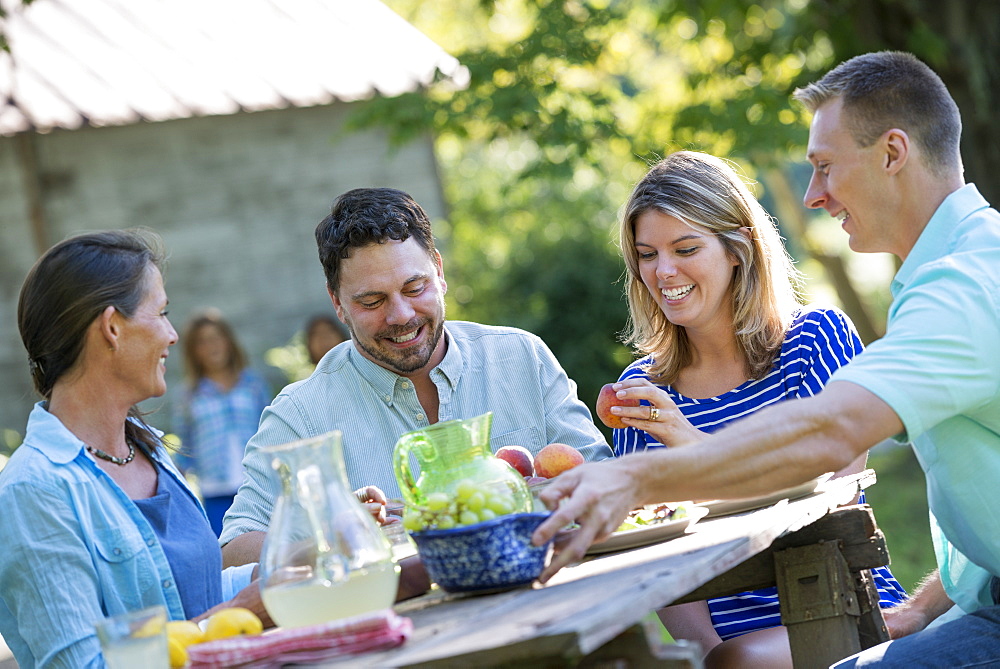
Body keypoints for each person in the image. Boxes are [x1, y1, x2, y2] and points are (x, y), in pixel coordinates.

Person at [532, 51, 1000, 668]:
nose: (812, 195)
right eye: (647, 255)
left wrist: (635, 477)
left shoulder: (965, 286)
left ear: (892, 154)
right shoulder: (956, 272)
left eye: (825, 166)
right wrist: (921, 609)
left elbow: (832, 432)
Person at [608, 150, 906, 668]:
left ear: (737, 248)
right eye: (647, 254)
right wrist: (706, 652)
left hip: (841, 609)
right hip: (729, 647)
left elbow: (832, 493)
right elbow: (649, 552)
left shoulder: (816, 340)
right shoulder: (642, 391)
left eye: (685, 248)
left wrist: (692, 447)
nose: (664, 271)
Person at [220, 187, 613, 568]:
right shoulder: (299, 416)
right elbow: (233, 550)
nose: (401, 315)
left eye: (414, 287)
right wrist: (335, 540)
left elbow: (605, 479)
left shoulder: (521, 358)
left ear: (439, 272)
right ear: (337, 303)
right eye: (372, 301)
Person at [0, 229, 263, 668]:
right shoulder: (33, 492)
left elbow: (188, 595)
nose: (173, 335)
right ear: (112, 327)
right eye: (161, 312)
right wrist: (233, 616)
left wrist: (289, 563)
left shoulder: (148, 452)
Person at [172, 309, 273, 536]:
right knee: (228, 550)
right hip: (215, 490)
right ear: (193, 352)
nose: (211, 346)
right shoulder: (190, 395)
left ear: (228, 341)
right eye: (202, 342)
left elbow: (270, 432)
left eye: (216, 338)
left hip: (255, 485)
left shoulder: (252, 384)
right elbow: (185, 446)